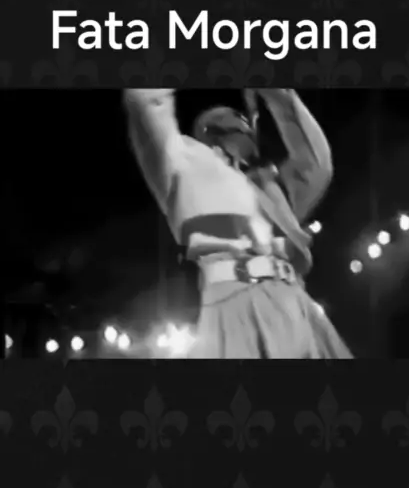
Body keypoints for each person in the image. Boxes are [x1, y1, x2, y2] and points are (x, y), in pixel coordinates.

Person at [124, 88, 352, 358]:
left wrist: (277, 94)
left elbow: (317, 164)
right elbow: (147, 104)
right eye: (234, 120)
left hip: (296, 301)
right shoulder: (184, 167)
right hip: (236, 301)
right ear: (210, 133)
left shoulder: (269, 188)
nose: (245, 125)